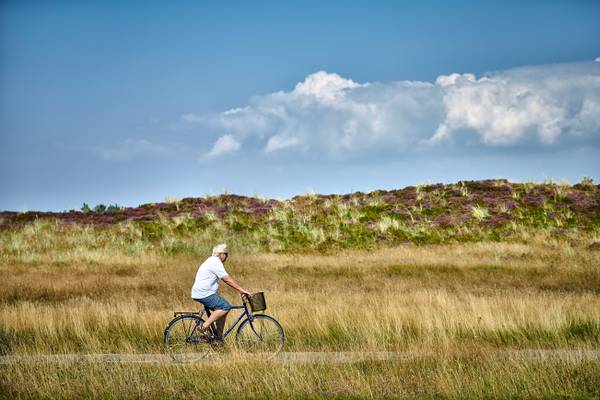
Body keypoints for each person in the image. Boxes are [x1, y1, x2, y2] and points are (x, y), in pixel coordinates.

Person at [191, 243, 251, 339]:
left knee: (222, 310)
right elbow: (227, 279)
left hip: (201, 292)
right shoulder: (216, 262)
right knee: (225, 306)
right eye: (226, 254)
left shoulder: (211, 260)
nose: (227, 257)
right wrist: (242, 290)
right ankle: (203, 327)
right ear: (221, 254)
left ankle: (218, 337)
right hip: (204, 293)